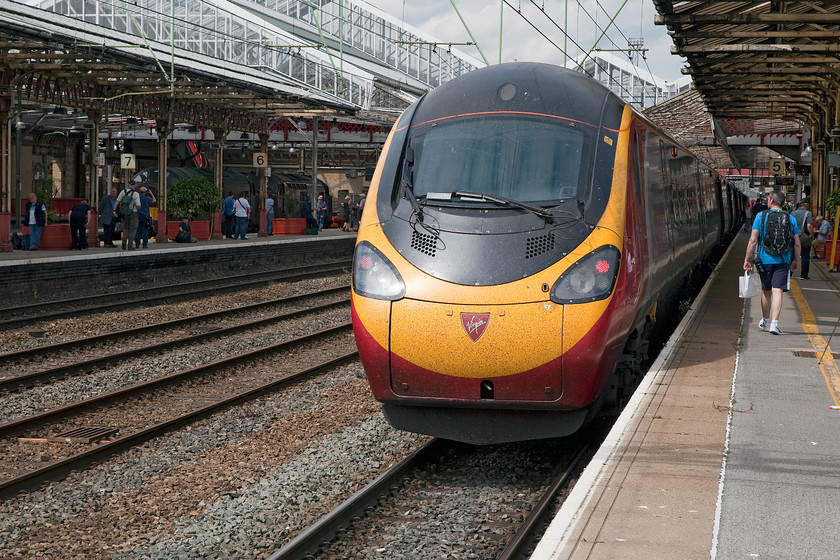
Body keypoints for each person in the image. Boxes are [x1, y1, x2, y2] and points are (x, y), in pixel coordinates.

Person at [744, 190, 800, 335]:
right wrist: (796, 260)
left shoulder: (761, 216)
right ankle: (775, 324)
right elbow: (797, 243)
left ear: (770, 201)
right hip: (784, 259)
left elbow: (752, 240)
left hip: (764, 259)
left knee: (766, 290)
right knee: (778, 290)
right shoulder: (790, 218)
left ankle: (766, 321)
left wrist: (747, 259)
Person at [790, 200, 814, 279]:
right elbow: (809, 225)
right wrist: (812, 235)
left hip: (793, 237)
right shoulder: (808, 213)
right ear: (806, 205)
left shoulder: (792, 213)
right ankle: (804, 274)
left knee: (792, 255)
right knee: (805, 256)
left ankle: (789, 273)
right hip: (804, 238)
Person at [114, 184, 141, 250]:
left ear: (129, 185)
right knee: (133, 229)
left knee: (125, 227)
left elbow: (117, 201)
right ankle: (130, 245)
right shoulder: (136, 194)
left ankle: (124, 240)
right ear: (134, 186)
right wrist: (139, 207)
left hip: (124, 213)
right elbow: (138, 205)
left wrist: (114, 210)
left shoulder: (123, 192)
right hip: (133, 213)